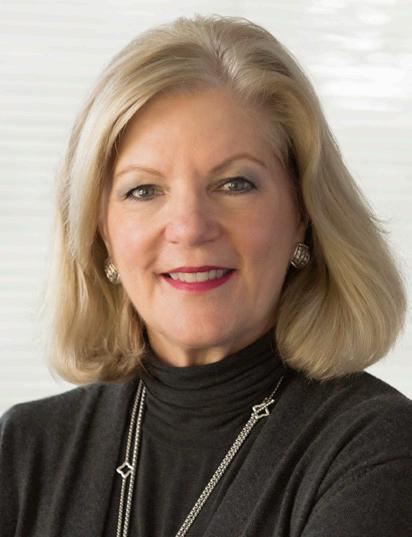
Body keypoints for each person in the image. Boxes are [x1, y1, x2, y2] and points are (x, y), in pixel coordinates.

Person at [0, 14, 411, 537]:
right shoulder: (23, 449)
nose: (190, 228)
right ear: (101, 232)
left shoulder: (377, 451)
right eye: (143, 190)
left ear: (303, 214)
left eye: (235, 184)